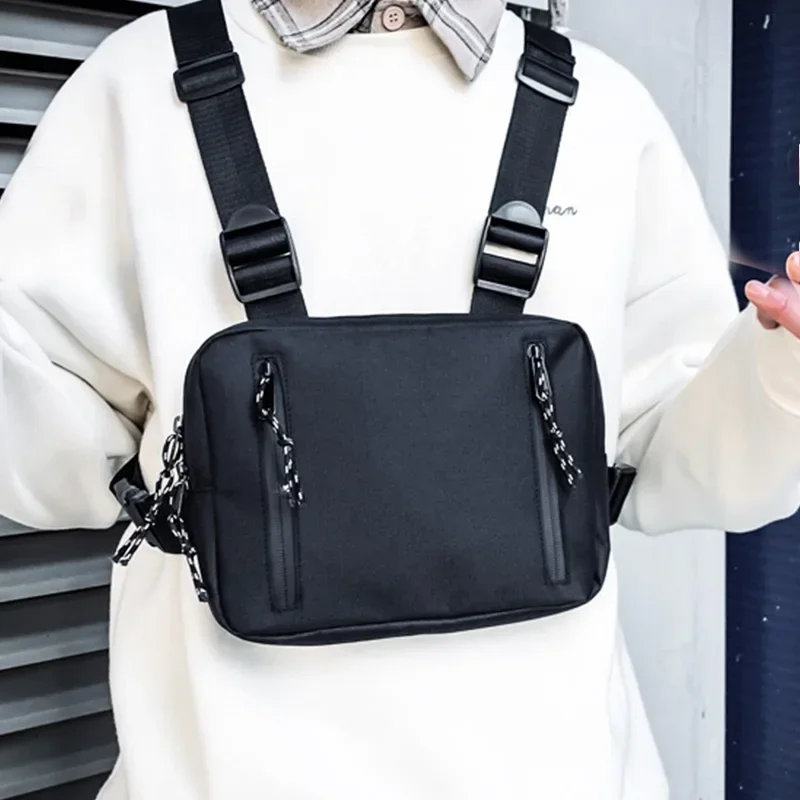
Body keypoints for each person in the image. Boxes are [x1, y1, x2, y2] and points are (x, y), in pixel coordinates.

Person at [1, 0, 799, 797]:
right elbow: (40, 456)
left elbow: (681, 455)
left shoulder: (607, 108)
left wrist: (785, 364)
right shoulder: (136, 84)